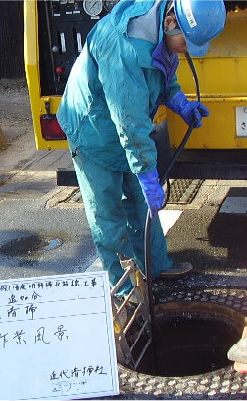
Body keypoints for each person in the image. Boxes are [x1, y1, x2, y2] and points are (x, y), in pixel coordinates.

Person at [57, 0, 226, 296]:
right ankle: (122, 289)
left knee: (140, 202)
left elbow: (162, 75)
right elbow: (130, 123)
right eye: (187, 42)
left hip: (123, 126)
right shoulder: (124, 48)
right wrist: (147, 173)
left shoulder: (160, 30)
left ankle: (155, 265)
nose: (187, 50)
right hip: (93, 130)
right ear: (171, 21)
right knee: (107, 210)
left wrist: (181, 104)